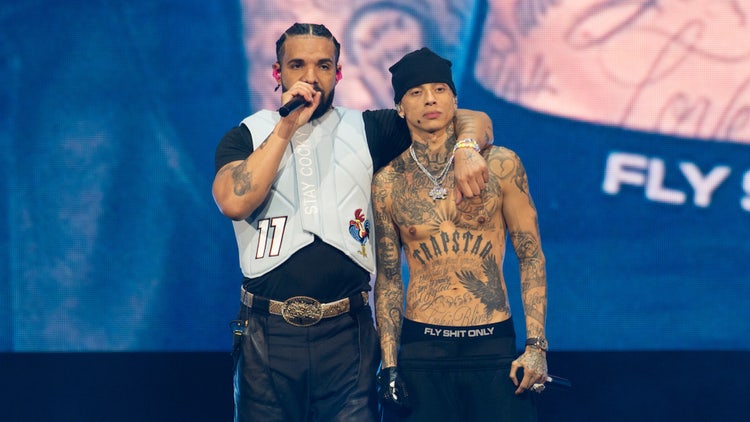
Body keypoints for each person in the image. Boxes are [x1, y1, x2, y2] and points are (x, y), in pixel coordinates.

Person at [212, 23, 493, 422]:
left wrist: (465, 147)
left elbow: (468, 118)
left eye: (324, 66)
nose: (311, 77)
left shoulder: (369, 129)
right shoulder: (246, 135)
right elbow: (233, 201)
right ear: (277, 72)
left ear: (339, 73)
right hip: (268, 336)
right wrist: (286, 127)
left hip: (348, 336)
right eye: (297, 65)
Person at [372, 47, 549, 421]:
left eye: (440, 89)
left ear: (454, 99)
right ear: (400, 107)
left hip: (494, 347)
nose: (430, 99)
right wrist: (389, 364)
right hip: (422, 352)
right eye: (416, 92)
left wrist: (536, 346)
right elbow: (388, 279)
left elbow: (530, 254)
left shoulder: (501, 165)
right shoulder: (388, 182)